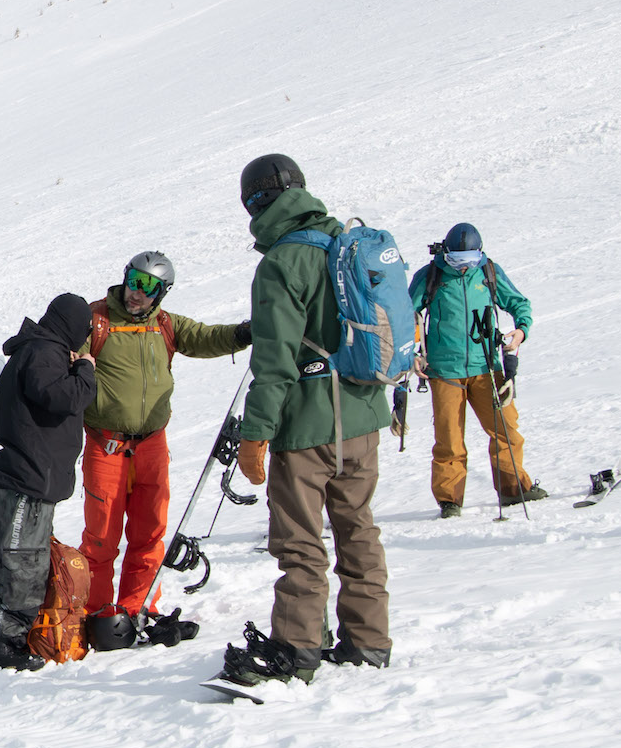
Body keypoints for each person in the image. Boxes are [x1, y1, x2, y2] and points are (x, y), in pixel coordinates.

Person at [225, 154, 395, 687]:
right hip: (364, 418)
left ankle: (298, 647)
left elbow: (274, 364)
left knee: (299, 541)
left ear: (255, 203)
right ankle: (368, 641)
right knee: (358, 529)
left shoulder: (282, 262)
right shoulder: (346, 241)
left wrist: (255, 435)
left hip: (306, 431)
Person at [77, 252, 250, 649]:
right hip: (107, 445)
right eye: (135, 281)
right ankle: (100, 613)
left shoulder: (166, 325)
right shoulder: (97, 319)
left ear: (162, 293)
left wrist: (246, 332)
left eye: (150, 286)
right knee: (101, 537)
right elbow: (64, 352)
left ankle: (138, 608)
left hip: (153, 444)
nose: (139, 292)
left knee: (150, 531)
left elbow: (207, 338)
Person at [0, 295, 97, 672]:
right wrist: (86, 371)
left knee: (28, 562)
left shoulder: (39, 350)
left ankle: (15, 638)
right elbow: (62, 396)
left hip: (31, 477)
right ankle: (4, 646)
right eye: (86, 329)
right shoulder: (44, 352)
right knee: (23, 565)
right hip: (27, 479)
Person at [409, 223, 541, 517]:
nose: (465, 266)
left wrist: (521, 331)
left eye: (471, 259)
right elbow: (408, 316)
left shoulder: (489, 271)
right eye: (458, 260)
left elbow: (518, 303)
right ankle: (450, 500)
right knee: (449, 440)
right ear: (447, 253)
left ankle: (513, 489)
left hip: (487, 367)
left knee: (506, 430)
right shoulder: (432, 275)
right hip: (444, 370)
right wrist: (411, 353)